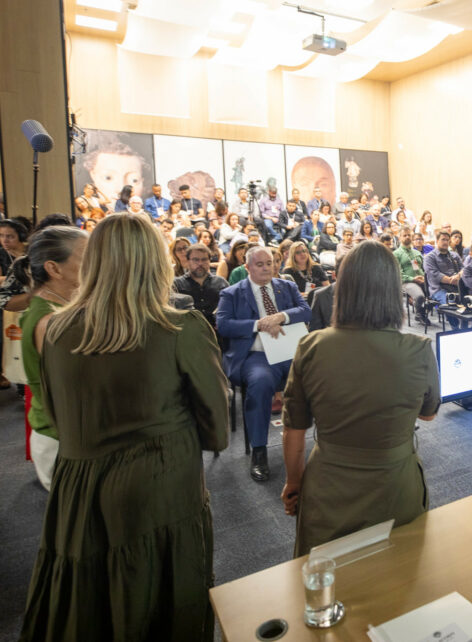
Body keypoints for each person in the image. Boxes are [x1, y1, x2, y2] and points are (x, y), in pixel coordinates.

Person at [20, 213, 228, 641]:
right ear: (156, 262)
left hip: (78, 490)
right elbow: (218, 428)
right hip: (160, 491)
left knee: (89, 604)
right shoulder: (179, 328)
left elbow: (57, 416)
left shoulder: (54, 329)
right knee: (160, 603)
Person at [281, 241, 440, 556]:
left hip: (328, 488)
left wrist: (294, 483)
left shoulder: (310, 346)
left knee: (326, 585)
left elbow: (294, 429)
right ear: (393, 290)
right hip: (397, 486)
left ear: (343, 287)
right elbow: (428, 414)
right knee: (400, 579)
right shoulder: (419, 349)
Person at [217, 246, 311, 482]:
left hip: (289, 352)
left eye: (269, 263)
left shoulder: (286, 286)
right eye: (259, 264)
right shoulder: (232, 293)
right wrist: (259, 324)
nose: (267, 268)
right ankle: (259, 451)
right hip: (257, 356)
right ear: (247, 267)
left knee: (321, 374)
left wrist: (280, 317)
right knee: (259, 384)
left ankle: (330, 440)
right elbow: (224, 325)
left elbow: (305, 311)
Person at [17, 227, 88, 490]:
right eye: (86, 257)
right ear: (54, 269)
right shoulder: (50, 321)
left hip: (67, 434)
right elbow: (74, 389)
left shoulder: (57, 308)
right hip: (63, 439)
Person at [173, 244, 229, 331]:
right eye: (195, 260)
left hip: (217, 334)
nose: (200, 263)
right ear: (188, 261)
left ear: (209, 261)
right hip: (188, 333)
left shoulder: (221, 283)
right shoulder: (177, 284)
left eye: (204, 259)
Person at [393, 227, 430, 326]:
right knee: (420, 296)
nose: (407, 237)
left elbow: (423, 269)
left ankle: (421, 308)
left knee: (435, 294)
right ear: (399, 238)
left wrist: (423, 277)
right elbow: (397, 274)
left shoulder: (417, 253)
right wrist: (413, 279)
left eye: (409, 235)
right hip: (407, 282)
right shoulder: (396, 254)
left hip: (421, 280)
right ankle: (420, 314)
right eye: (404, 235)